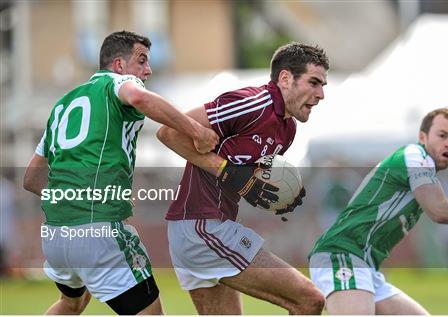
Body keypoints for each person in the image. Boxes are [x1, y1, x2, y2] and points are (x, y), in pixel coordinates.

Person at [23, 31, 218, 315]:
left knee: (72, 303)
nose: (147, 70)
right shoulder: (116, 83)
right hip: (97, 231)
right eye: (141, 61)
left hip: (55, 234)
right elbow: (139, 97)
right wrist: (196, 130)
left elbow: (31, 179)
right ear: (118, 65)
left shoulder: (62, 106)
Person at [308, 108, 448, 315]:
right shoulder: (414, 156)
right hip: (341, 255)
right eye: (442, 135)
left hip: (364, 265)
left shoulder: (424, 171)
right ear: (422, 137)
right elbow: (439, 210)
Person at [156, 42, 328, 314]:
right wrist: (226, 171)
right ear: (285, 78)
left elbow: (246, 179)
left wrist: (278, 196)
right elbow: (168, 133)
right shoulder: (251, 104)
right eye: (314, 82)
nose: (321, 94)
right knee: (310, 300)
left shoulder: (287, 130)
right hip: (202, 227)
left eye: (323, 86)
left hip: (206, 227)